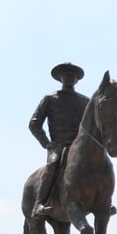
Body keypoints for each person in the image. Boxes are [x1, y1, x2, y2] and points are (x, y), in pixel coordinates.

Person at [28, 62, 90, 217]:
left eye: (73, 76)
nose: (69, 78)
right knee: (53, 165)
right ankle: (39, 204)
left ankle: (104, 203)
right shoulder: (50, 99)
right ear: (60, 79)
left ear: (77, 80)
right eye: (66, 75)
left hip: (80, 147)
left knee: (99, 163)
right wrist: (47, 143)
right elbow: (34, 123)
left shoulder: (85, 101)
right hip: (58, 146)